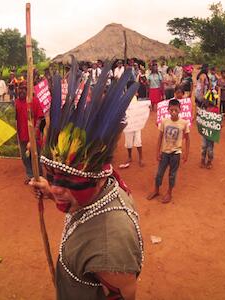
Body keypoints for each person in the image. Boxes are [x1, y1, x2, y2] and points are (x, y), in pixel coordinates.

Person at [34, 59, 143, 299]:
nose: (56, 187)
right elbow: (68, 192)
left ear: (97, 180)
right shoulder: (98, 192)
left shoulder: (110, 247)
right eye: (51, 176)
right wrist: (50, 190)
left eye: (69, 182)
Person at [147, 99, 190, 203]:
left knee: (172, 175)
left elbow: (188, 139)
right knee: (159, 173)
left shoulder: (184, 123)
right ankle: (156, 190)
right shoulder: (164, 121)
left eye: (176, 110)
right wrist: (157, 152)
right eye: (171, 110)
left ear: (180, 110)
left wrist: (186, 154)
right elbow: (160, 137)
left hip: (176, 153)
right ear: (168, 110)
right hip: (165, 152)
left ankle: (169, 193)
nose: (173, 112)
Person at [15, 83, 44, 185]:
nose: (21, 91)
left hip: (33, 136)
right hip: (22, 135)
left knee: (36, 156)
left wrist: (35, 132)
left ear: (28, 90)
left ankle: (39, 176)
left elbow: (40, 117)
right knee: (25, 157)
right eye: (20, 88)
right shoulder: (16, 103)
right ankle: (30, 175)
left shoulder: (34, 101)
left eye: (24, 89)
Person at [200, 97, 219, 169]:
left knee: (210, 148)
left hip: (212, 132)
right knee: (204, 146)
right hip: (205, 131)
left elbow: (218, 120)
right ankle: (202, 159)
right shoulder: (204, 109)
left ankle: (209, 161)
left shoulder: (215, 109)